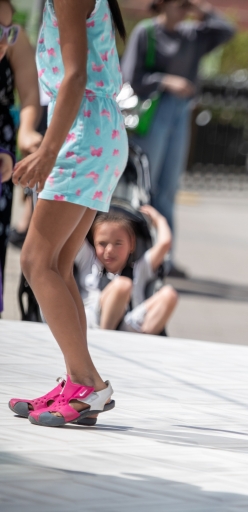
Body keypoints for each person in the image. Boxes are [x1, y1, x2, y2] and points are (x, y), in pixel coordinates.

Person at [8, 0, 129, 427]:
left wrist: (48, 150)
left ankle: (89, 383)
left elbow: (75, 76)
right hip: (98, 130)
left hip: (84, 132)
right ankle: (79, 383)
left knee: (34, 261)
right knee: (57, 264)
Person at [120, 0, 235, 275]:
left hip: (180, 113)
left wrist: (201, 9)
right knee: (145, 186)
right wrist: (165, 80)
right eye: (179, 3)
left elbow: (227, 30)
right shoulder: (146, 32)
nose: (184, 9)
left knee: (168, 189)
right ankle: (133, 252)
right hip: (153, 110)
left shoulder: (192, 34)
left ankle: (164, 258)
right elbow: (130, 76)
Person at [0, 0, 43, 316]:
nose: (5, 39)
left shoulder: (14, 40)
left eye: (8, 30)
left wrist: (25, 132)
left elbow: (30, 94)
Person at [75, 205, 178, 335]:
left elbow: (165, 243)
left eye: (118, 243)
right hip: (94, 322)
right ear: (94, 243)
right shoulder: (88, 261)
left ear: (131, 244)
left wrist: (159, 219)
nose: (110, 250)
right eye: (102, 244)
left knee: (169, 294)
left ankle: (143, 342)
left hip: (129, 323)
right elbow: (72, 231)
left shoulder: (140, 268)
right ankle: (105, 337)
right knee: (122, 285)